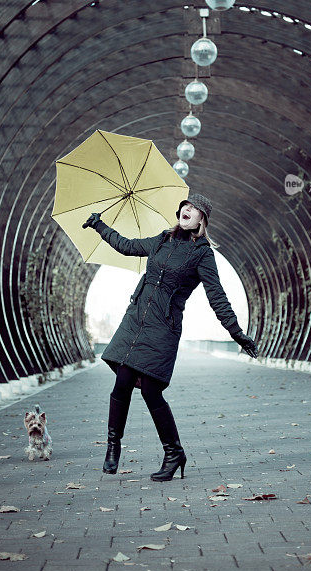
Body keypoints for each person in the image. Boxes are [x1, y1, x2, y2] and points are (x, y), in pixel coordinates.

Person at [82, 192, 258, 482]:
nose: (186, 210)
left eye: (193, 209)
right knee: (122, 382)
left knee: (152, 391)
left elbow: (217, 297)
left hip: (163, 327)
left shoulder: (203, 253)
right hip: (136, 321)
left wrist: (237, 333)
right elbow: (127, 246)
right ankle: (113, 446)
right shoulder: (162, 239)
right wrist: (100, 226)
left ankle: (174, 453)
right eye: (184, 207)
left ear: (202, 218)